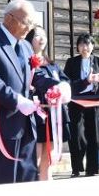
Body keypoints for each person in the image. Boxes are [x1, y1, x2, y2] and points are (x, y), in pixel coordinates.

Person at [0, 0, 40, 185]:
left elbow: (34, 76)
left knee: (28, 177)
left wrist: (56, 87)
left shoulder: (26, 46)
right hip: (4, 121)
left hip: (27, 122)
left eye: (32, 24)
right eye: (26, 22)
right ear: (9, 18)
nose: (30, 28)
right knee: (6, 179)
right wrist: (17, 100)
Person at [25, 28, 78, 181]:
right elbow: (39, 80)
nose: (41, 39)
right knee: (36, 154)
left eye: (43, 35)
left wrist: (64, 87)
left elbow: (65, 79)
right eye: (37, 36)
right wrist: (58, 86)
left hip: (54, 113)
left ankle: (46, 183)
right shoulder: (28, 61)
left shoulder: (51, 63)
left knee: (49, 154)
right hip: (38, 112)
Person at [63, 34, 99, 177]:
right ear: (77, 47)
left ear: (93, 46)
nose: (85, 47)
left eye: (87, 44)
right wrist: (86, 81)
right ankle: (76, 168)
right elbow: (67, 84)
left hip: (95, 102)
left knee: (93, 135)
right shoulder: (71, 62)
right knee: (76, 135)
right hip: (76, 101)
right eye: (81, 44)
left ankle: (92, 169)